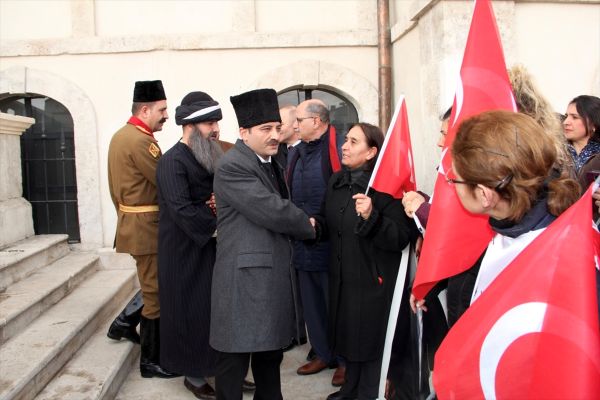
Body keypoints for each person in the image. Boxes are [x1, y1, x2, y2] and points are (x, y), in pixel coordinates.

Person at [210, 88, 316, 400]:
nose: (274, 135)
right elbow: (271, 208)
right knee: (233, 363)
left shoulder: (268, 160)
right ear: (244, 132)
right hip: (244, 283)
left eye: (276, 127)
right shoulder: (233, 166)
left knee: (269, 359)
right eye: (265, 129)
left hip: (265, 280)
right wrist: (307, 224)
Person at [314, 123, 417, 400]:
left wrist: (372, 216)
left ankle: (369, 393)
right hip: (343, 278)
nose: (344, 146)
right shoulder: (337, 182)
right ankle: (351, 389)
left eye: (353, 142)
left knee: (369, 343)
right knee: (349, 338)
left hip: (373, 282)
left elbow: (400, 238)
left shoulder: (386, 189)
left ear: (372, 152)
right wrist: (315, 227)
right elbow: (331, 223)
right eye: (345, 140)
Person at [449, 110, 579, 305]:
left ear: (484, 195)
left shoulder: (552, 261)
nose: (451, 184)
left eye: (454, 180)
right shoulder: (518, 226)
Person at [107, 80, 177, 378]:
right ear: (145, 109)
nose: (166, 115)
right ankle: (151, 362)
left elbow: (115, 191)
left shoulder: (122, 135)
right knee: (155, 292)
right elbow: (165, 182)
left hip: (136, 223)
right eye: (162, 110)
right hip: (147, 228)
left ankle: (123, 324)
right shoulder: (139, 141)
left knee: (152, 283)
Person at [156, 91, 224, 399]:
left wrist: (217, 205)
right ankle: (194, 377)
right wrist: (216, 219)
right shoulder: (172, 161)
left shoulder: (206, 153)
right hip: (183, 252)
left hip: (207, 248)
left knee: (212, 313)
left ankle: (221, 369)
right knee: (190, 313)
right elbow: (182, 209)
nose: (216, 129)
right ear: (191, 126)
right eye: (211, 123)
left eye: (216, 123)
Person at [288, 99, 345, 386]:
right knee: (312, 305)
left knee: (338, 304)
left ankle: (345, 360)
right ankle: (323, 353)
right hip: (303, 241)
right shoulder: (295, 153)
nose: (294, 125)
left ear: (318, 121)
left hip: (333, 242)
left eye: (299, 119)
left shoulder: (339, 148)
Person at [563, 95, 600, 179]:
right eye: (566, 116)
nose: (566, 122)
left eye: (575, 117)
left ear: (593, 123)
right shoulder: (556, 151)